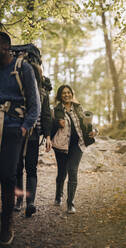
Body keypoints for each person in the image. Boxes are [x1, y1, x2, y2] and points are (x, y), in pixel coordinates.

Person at [0, 32, 40, 245]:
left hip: (14, 128)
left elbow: (35, 105)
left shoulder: (22, 68)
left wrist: (24, 128)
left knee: (8, 175)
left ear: (5, 47)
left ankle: (6, 222)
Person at [51, 85, 97, 214]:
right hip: (61, 146)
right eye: (64, 93)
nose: (66, 95)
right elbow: (51, 126)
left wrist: (94, 131)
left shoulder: (78, 107)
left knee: (72, 170)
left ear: (72, 94)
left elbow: (87, 123)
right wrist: (57, 123)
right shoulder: (57, 110)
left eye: (68, 92)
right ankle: (58, 195)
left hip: (77, 145)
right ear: (60, 96)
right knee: (62, 172)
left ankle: (70, 203)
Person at [14, 75, 52, 217]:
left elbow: (46, 115)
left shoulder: (42, 91)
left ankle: (30, 202)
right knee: (17, 168)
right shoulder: (17, 84)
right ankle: (19, 200)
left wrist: (48, 136)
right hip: (17, 133)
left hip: (34, 134)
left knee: (31, 168)